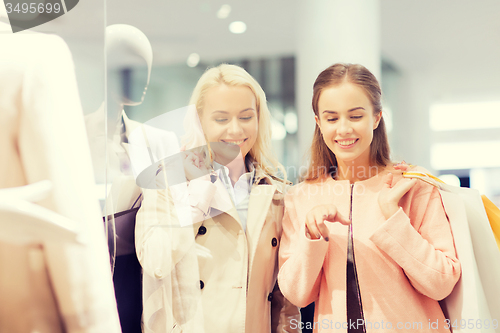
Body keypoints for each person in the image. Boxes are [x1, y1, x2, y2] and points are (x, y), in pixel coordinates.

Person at [278, 63, 461, 333]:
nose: (343, 130)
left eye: (355, 116)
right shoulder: (301, 196)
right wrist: (312, 235)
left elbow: (441, 282)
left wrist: (393, 217)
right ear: (318, 122)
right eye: (331, 118)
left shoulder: (413, 186)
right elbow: (297, 294)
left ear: (376, 118)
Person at [135, 64, 300, 333]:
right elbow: (155, 261)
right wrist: (196, 199)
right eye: (221, 119)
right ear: (199, 121)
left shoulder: (275, 191)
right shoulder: (168, 180)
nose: (235, 130)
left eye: (246, 117)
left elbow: (283, 301)